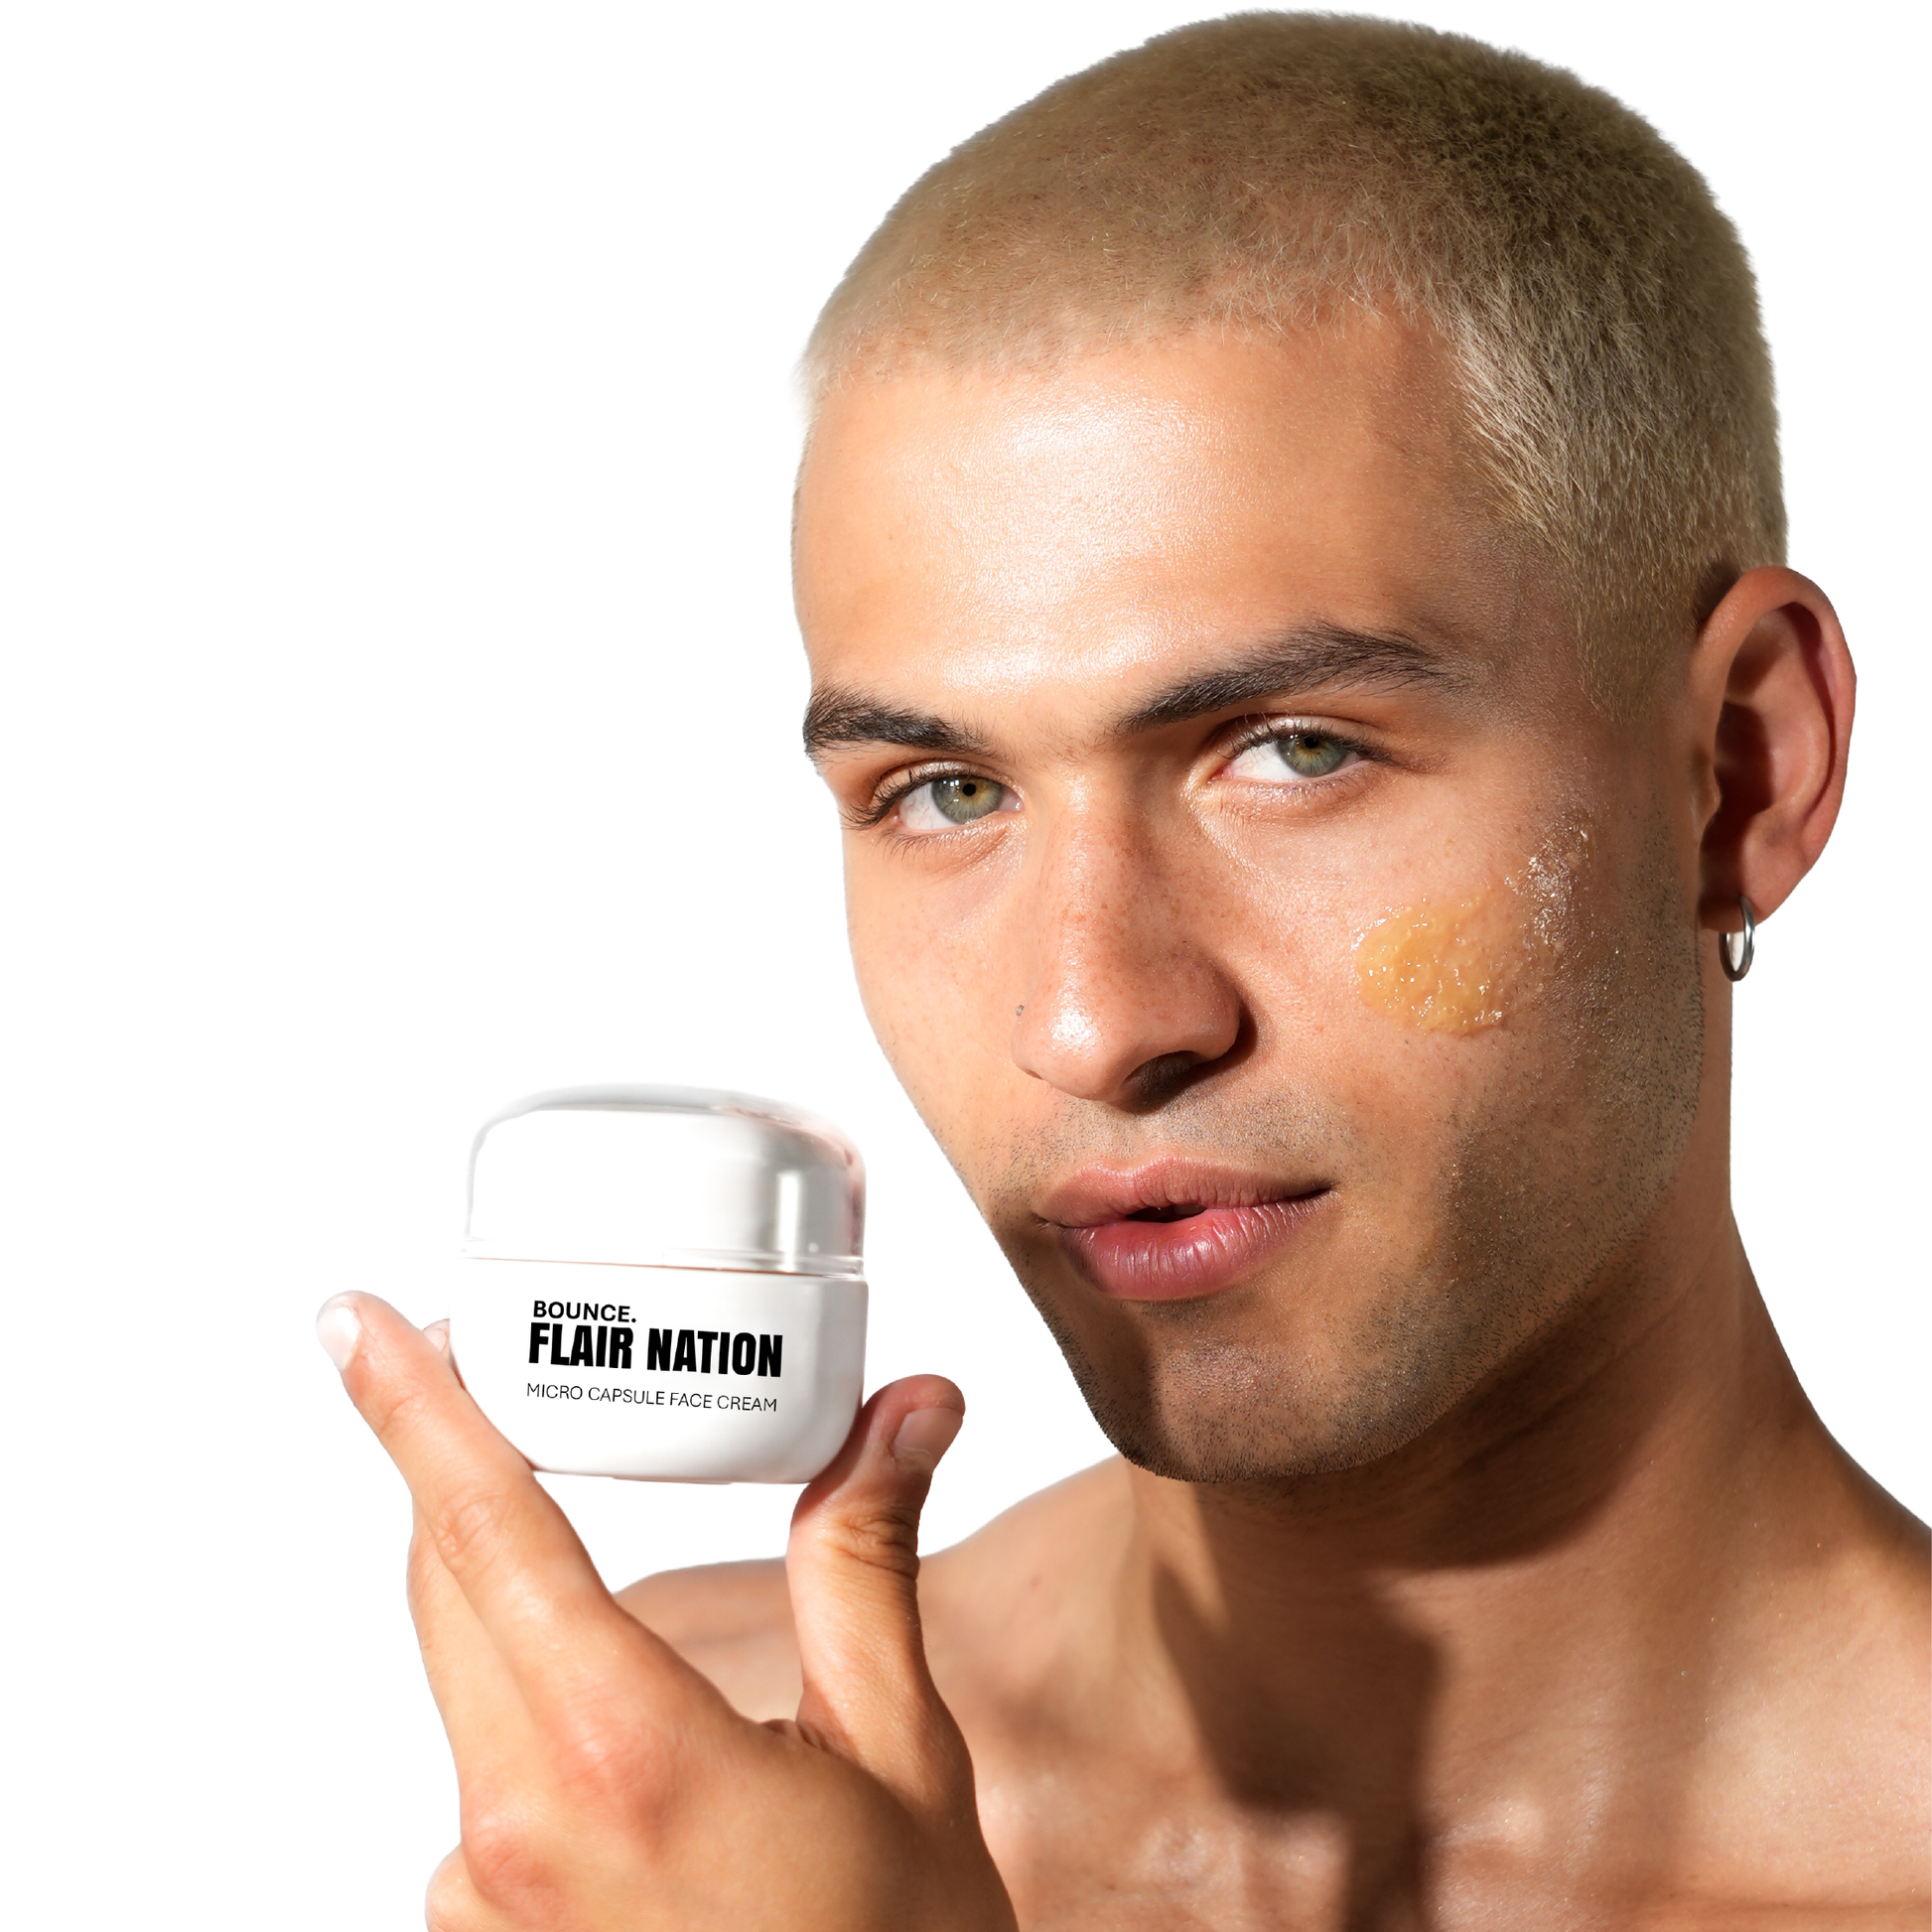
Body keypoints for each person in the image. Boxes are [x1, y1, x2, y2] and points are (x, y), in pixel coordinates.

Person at [317, 15, 1928, 1924]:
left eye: (1294, 751)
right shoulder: (659, 1801)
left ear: (1738, 768)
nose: (1088, 1023)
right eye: (945, 791)